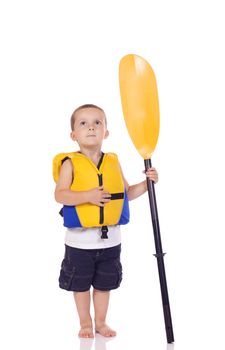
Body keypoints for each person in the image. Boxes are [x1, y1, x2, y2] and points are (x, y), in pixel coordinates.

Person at [54, 104, 158, 338]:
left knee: (104, 285)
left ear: (106, 132)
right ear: (73, 135)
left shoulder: (112, 162)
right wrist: (87, 196)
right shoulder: (70, 164)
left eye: (97, 122)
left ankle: (101, 322)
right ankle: (85, 323)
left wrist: (147, 184)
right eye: (83, 123)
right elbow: (60, 194)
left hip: (110, 241)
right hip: (80, 243)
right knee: (80, 286)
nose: (91, 127)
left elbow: (126, 194)